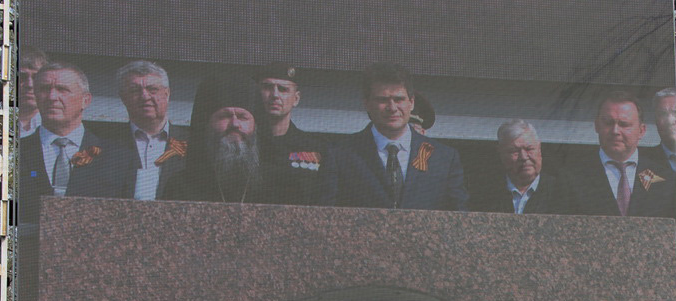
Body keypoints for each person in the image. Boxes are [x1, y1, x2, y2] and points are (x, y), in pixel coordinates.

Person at [318, 62, 468, 211]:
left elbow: (460, 219)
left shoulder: (444, 158)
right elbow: (325, 216)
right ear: (367, 104)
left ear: (412, 102)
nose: (392, 108)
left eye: (399, 99)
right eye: (382, 100)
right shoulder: (340, 154)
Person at [19, 62, 120, 222]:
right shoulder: (16, 152)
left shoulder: (117, 157)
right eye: (45, 89)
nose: (52, 97)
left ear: (85, 100)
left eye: (62, 89)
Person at [562, 91, 676, 218]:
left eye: (624, 124)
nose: (615, 131)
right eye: (608, 123)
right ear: (596, 126)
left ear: (641, 130)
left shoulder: (666, 179)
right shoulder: (571, 177)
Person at [164, 73, 268, 203]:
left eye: (242, 117)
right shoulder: (180, 186)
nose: (235, 124)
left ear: (255, 125)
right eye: (224, 116)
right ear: (207, 125)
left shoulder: (276, 185)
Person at [109, 61, 188, 201]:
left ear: (167, 94)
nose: (145, 96)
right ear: (122, 97)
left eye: (152, 89)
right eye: (134, 90)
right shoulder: (104, 143)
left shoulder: (194, 144)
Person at [253, 63, 324, 206]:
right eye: (267, 87)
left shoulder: (315, 148)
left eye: (283, 89)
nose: (275, 95)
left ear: (296, 99)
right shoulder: (243, 144)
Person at [471, 119, 562, 214]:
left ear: (539, 149)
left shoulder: (561, 191)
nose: (523, 157)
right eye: (514, 151)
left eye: (529, 149)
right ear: (501, 153)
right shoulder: (486, 194)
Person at [18, 49, 46, 138]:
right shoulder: (1, 123)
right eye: (22, 77)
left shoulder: (59, 126)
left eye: (36, 77)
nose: (30, 85)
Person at [651, 87, 676, 174]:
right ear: (655, 120)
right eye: (663, 114)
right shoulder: (642, 160)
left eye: (675, 112)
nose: (670, 121)